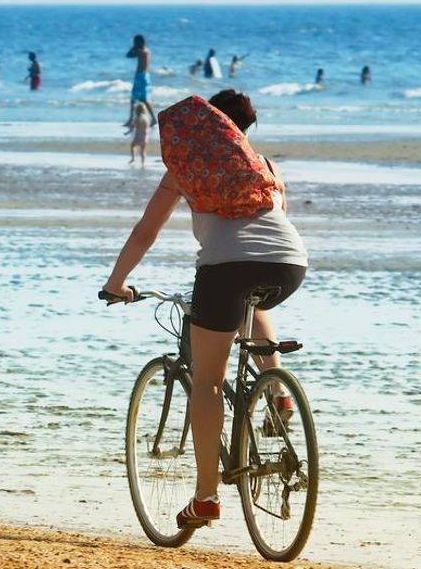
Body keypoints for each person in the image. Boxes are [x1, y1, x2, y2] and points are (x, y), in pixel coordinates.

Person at [102, 89, 307, 529]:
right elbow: (272, 227)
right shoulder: (267, 166)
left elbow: (145, 233)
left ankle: (206, 496)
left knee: (209, 384)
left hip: (225, 271)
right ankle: (277, 390)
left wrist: (116, 283)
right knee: (254, 297)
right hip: (291, 264)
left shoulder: (187, 167)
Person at [123, 34, 157, 130]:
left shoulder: (143, 51)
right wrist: (134, 48)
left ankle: (131, 120)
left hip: (141, 77)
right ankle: (151, 119)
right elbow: (129, 55)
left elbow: (129, 55)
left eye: (135, 42)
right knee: (141, 99)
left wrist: (133, 48)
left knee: (138, 99)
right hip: (143, 77)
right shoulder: (146, 51)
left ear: (139, 42)